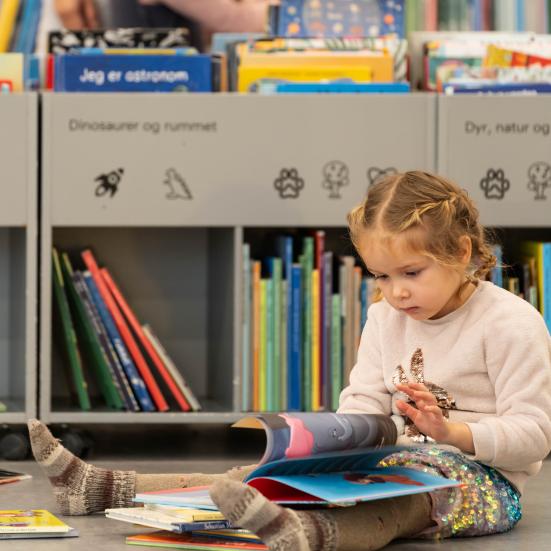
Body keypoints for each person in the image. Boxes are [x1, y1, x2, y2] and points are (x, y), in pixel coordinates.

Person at [28, 170, 551, 550]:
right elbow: (365, 401)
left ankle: (312, 534)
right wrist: (336, 439)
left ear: (461, 252)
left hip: (479, 483)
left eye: (411, 273)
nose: (395, 293)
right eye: (382, 276)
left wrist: (454, 435)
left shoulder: (510, 322)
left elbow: (535, 434)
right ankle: (99, 487)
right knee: (267, 473)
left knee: (397, 505)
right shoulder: (385, 317)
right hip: (395, 460)